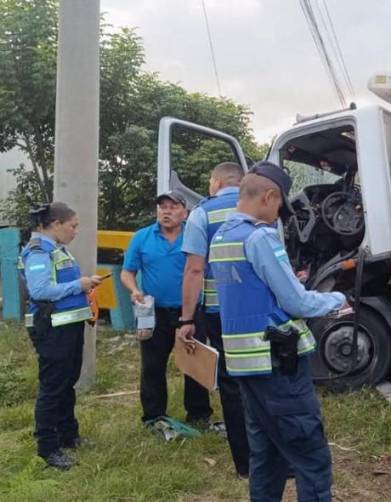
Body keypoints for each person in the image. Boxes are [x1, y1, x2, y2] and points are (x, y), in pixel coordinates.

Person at [201, 161, 345, 501]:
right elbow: (298, 304)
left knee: (266, 454)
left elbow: (248, 292)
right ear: (268, 196)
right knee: (311, 458)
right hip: (277, 364)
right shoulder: (259, 237)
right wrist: (337, 298)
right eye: (279, 203)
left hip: (245, 366)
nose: (279, 212)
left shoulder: (222, 237)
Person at [175, 161, 250, 476]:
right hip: (259, 312)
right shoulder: (260, 206)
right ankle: (275, 457)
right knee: (263, 380)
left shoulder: (202, 214)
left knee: (232, 385)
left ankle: (246, 464)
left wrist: (186, 319)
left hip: (222, 312)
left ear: (216, 181)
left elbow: (194, 270)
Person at [19, 202, 102, 470]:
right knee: (53, 388)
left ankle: (68, 436)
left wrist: (84, 285)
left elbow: (59, 286)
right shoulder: (38, 251)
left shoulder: (57, 250)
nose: (76, 231)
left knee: (67, 383)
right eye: (73, 225)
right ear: (55, 224)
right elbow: (41, 290)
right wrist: (80, 284)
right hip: (52, 329)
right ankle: (47, 448)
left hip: (68, 327)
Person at [121, 190, 212, 426]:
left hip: (189, 311)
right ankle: (153, 416)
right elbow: (127, 272)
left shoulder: (195, 237)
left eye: (173, 207)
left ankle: (199, 414)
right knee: (152, 364)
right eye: (162, 207)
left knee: (194, 363)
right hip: (154, 312)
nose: (166, 211)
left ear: (185, 212)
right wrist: (134, 290)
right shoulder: (142, 237)